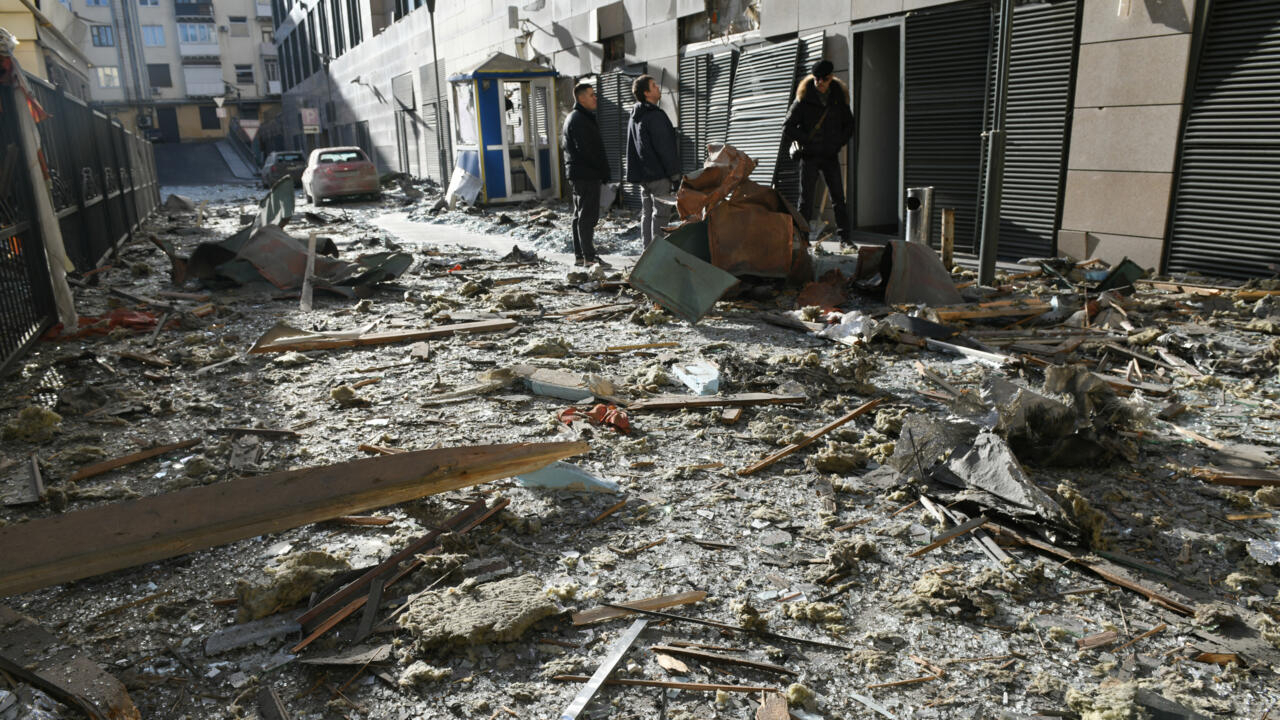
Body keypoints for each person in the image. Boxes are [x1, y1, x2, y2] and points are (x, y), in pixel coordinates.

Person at [783, 59, 854, 245]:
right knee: (805, 201)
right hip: (809, 156)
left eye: (823, 79)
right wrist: (806, 140)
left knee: (839, 198)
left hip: (830, 155)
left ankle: (845, 239)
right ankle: (802, 239)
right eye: (816, 79)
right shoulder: (804, 97)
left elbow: (850, 125)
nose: (819, 83)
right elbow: (788, 126)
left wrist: (838, 143)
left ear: (831, 78)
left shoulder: (838, 97)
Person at [625, 74, 680, 248]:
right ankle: (656, 255)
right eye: (654, 86)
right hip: (658, 175)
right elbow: (665, 148)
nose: (658, 88)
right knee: (661, 215)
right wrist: (675, 175)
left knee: (647, 214)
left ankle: (646, 253)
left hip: (644, 177)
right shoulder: (655, 115)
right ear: (647, 93)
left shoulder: (636, 115)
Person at [561, 81, 612, 267]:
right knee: (587, 216)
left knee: (580, 215)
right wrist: (603, 170)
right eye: (591, 95)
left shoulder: (576, 117)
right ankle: (589, 257)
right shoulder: (580, 119)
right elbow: (589, 151)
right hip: (586, 174)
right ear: (581, 98)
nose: (595, 98)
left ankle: (581, 256)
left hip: (580, 173)